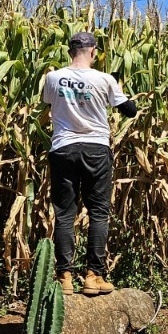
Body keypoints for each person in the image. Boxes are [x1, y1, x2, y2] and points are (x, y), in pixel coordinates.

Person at [40, 30, 137, 296]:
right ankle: (94, 276)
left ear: (70, 51)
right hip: (96, 148)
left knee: (65, 214)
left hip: (63, 149)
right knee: (98, 212)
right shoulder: (104, 79)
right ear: (93, 52)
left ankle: (65, 277)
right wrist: (117, 89)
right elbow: (130, 110)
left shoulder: (53, 77)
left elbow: (49, 103)